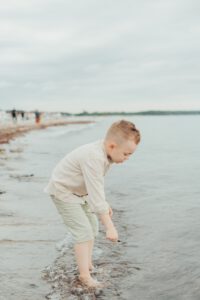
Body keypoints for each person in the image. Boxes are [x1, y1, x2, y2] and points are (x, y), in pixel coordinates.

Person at [44, 120, 141, 288]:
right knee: (83, 231)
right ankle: (84, 277)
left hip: (80, 192)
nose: (127, 159)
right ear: (112, 146)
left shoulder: (106, 153)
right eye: (126, 154)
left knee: (93, 226)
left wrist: (104, 203)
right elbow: (96, 194)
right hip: (63, 191)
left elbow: (95, 186)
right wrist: (110, 227)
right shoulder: (94, 157)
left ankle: (87, 265)